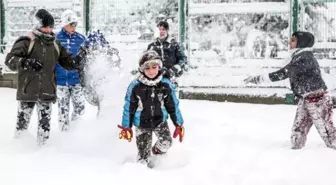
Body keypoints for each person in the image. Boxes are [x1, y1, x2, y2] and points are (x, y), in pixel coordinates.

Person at [4, 9, 87, 145]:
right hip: (28, 91)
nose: (48, 30)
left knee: (44, 129)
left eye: (50, 27)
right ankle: (19, 151)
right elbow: (10, 60)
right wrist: (26, 62)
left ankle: (43, 154)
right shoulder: (27, 41)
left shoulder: (55, 43)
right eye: (45, 26)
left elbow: (67, 62)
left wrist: (79, 59)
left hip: (47, 92)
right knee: (22, 127)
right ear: (37, 25)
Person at [244, 31, 336, 150]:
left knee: (327, 132)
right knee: (299, 128)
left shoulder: (305, 58)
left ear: (301, 43)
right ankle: (295, 151)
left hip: (317, 99)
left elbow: (284, 73)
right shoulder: (298, 56)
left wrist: (259, 79)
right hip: (306, 98)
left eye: (293, 40)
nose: (289, 42)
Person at [117, 50, 185, 167]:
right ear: (142, 70)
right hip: (141, 123)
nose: (151, 71)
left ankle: (157, 153)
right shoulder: (135, 86)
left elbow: (173, 105)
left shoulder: (165, 85)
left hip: (160, 121)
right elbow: (129, 108)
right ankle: (144, 172)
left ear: (159, 67)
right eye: (147, 68)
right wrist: (126, 127)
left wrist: (179, 124)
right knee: (143, 158)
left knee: (166, 142)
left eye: (154, 67)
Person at [56, 9, 86, 131]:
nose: (74, 26)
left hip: (77, 80)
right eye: (71, 24)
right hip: (61, 81)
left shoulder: (81, 39)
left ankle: (76, 131)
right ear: (65, 24)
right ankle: (64, 133)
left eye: (75, 24)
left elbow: (86, 58)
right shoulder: (56, 39)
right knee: (63, 109)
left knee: (80, 107)